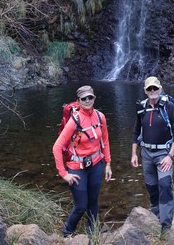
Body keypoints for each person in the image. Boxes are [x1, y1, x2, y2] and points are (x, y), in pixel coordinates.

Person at [53, 85, 113, 237]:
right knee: (81, 205)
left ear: (94, 98)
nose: (87, 101)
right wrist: (64, 174)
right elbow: (57, 147)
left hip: (96, 164)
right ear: (78, 101)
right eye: (83, 98)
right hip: (76, 166)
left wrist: (108, 163)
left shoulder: (100, 117)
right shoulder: (75, 120)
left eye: (90, 97)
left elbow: (104, 141)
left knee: (93, 201)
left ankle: (92, 231)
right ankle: (67, 231)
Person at [131, 76, 174, 231]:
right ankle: (155, 215)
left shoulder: (169, 106)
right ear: (145, 91)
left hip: (163, 154)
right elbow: (135, 131)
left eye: (155, 88)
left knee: (165, 185)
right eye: (149, 89)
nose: (152, 91)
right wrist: (134, 153)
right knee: (151, 186)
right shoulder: (141, 107)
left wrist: (170, 156)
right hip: (146, 153)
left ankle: (165, 226)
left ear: (160, 89)